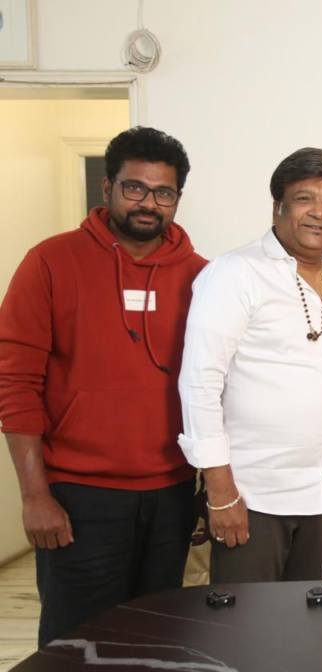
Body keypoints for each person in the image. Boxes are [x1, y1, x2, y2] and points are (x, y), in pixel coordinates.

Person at [0, 127, 206, 647]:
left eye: (164, 193)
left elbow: (218, 385)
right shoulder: (50, 261)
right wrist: (34, 495)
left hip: (173, 493)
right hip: (79, 495)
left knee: (157, 641)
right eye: (135, 188)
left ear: (178, 198)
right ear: (108, 187)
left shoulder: (202, 276)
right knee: (78, 646)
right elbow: (15, 381)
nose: (149, 203)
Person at [178, 148, 322, 583]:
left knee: (307, 614)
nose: (319, 212)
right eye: (304, 199)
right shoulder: (233, 274)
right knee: (247, 618)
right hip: (253, 496)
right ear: (277, 207)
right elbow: (200, 383)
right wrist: (221, 492)